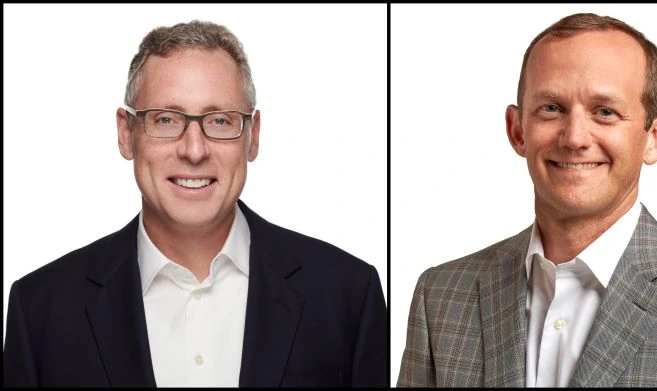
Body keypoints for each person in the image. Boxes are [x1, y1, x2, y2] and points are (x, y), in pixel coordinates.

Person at [396, 12, 657, 387]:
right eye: (551, 108)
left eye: (604, 112)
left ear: (654, 138)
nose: (574, 137)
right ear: (518, 130)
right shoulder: (442, 295)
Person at [3, 20, 387, 388]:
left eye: (220, 121)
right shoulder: (40, 309)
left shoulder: (348, 294)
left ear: (252, 137)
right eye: (166, 120)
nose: (194, 149)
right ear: (126, 134)